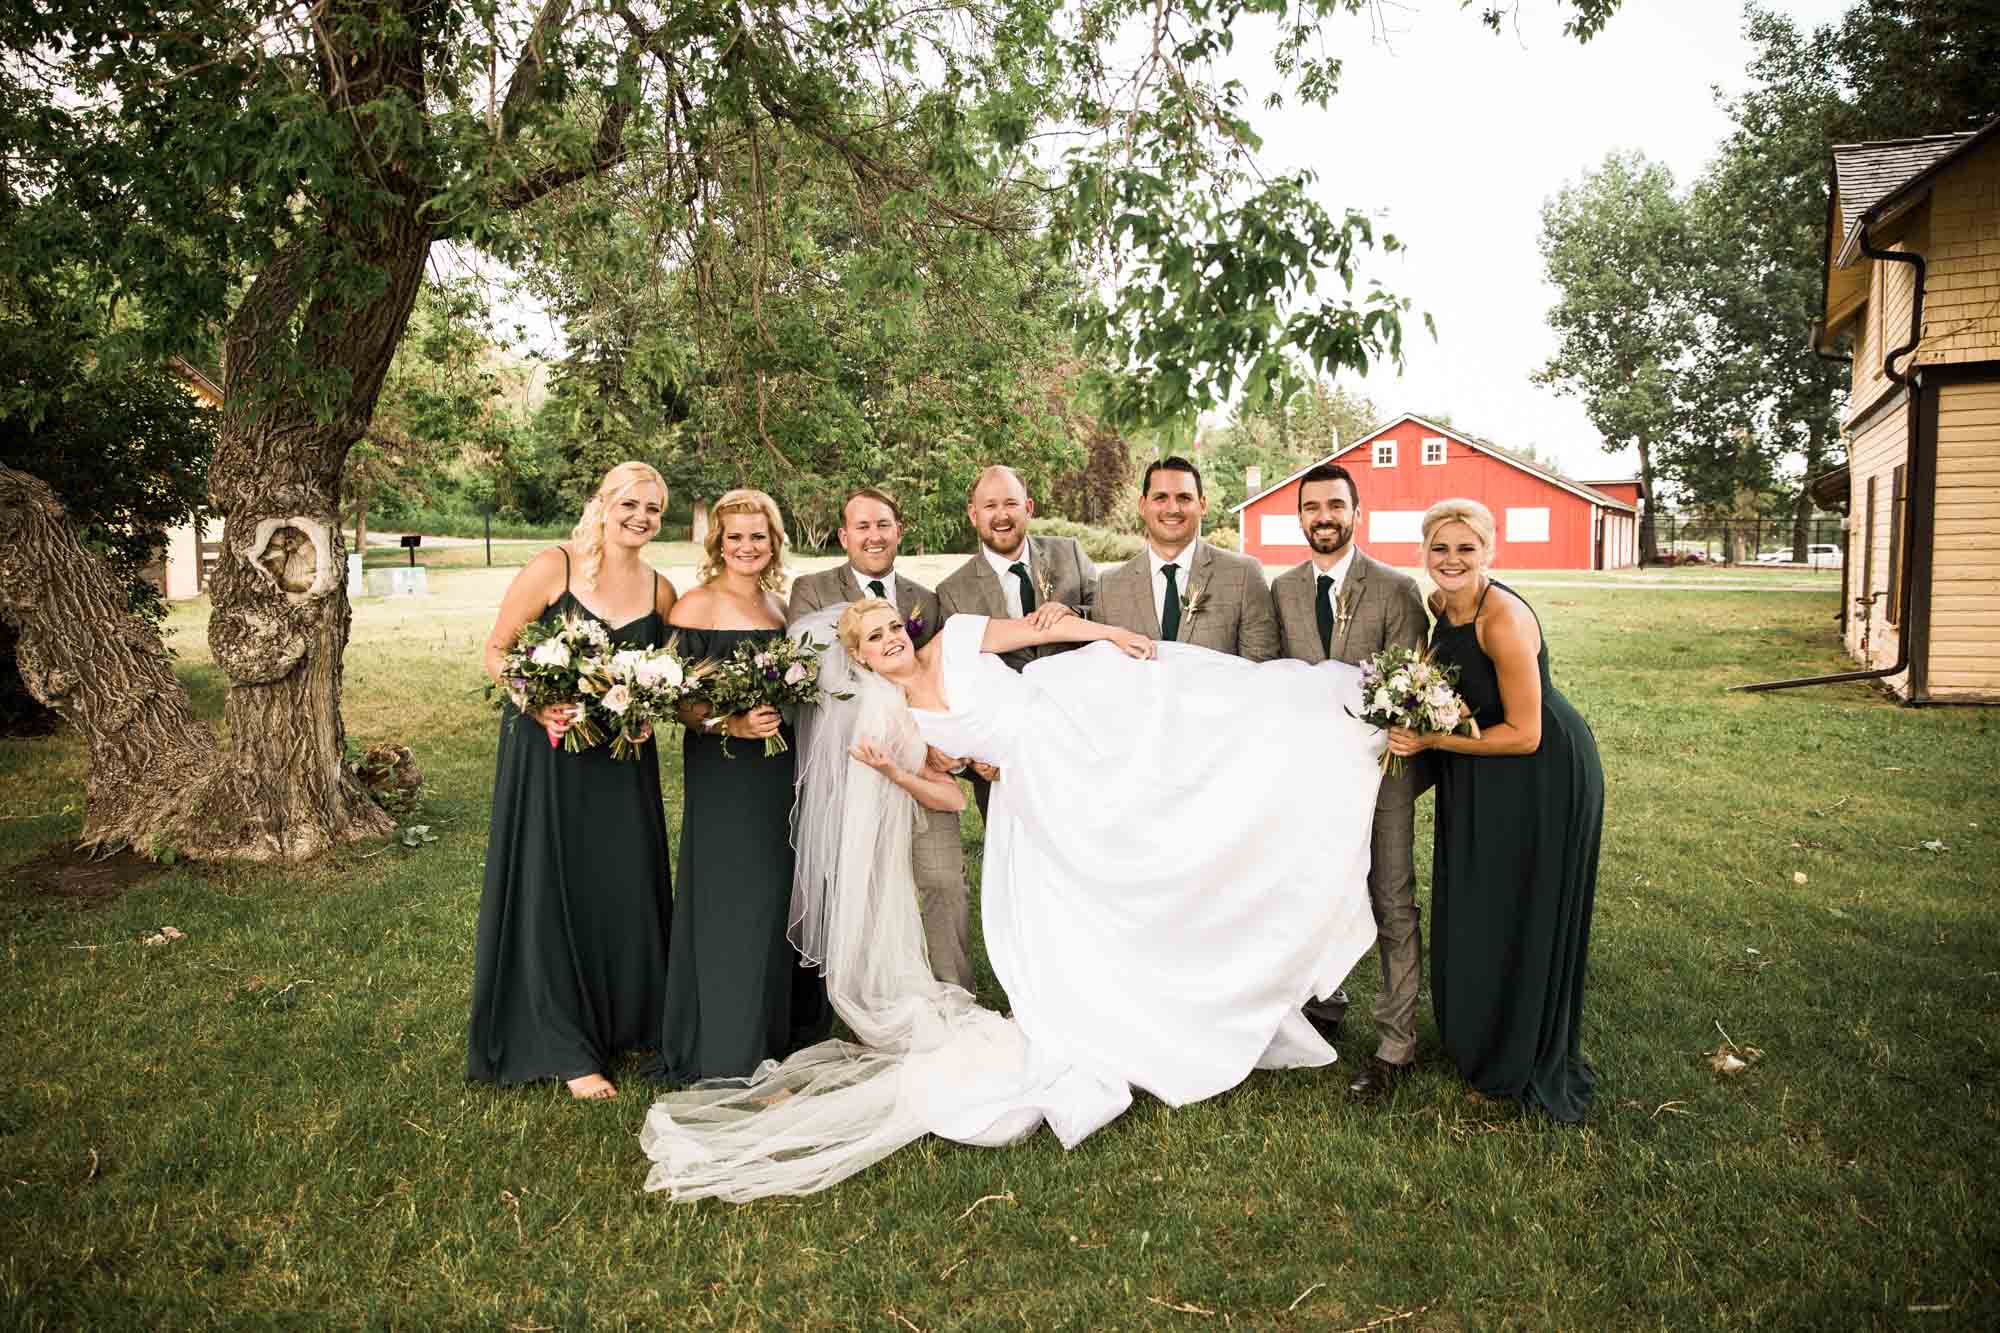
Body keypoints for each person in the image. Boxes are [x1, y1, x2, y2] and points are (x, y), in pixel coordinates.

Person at [639, 598, 1386, 1200]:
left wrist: (1111, 633)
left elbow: (1037, 629)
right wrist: (900, 771)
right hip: (1038, 797)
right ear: (861, 658)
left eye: (893, 626)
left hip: (1076, 723)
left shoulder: (959, 637)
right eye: (875, 638)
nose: (891, 640)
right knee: (1097, 896)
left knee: (1182, 789)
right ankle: (1137, 999)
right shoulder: (901, 719)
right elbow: (948, 798)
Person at [1386, 499, 1603, 1123]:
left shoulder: (1502, 618)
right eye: (1440, 548)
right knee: (1476, 905)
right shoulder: (1440, 605)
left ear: (1489, 552)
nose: (1452, 560)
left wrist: (1432, 740)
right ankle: (1479, 1036)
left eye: (1467, 548)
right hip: (1481, 773)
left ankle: (1518, 1053)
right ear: (1424, 552)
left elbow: (1526, 733)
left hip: (1540, 775)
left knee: (1519, 910)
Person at [468, 461, 678, 1101]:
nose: (641, 517)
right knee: (553, 881)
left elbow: (665, 677)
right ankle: (564, 1043)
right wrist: (535, 704)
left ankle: (631, 1020)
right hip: (552, 753)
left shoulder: (661, 590)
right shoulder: (553, 567)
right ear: (603, 505)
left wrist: (647, 713)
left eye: (653, 508)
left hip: (622, 760)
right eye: (630, 504)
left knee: (624, 882)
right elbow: (497, 649)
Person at [650, 488, 830, 1081]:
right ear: (718, 544)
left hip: (781, 771)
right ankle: (730, 1043)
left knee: (776, 894)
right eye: (736, 537)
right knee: (733, 897)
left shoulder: (781, 609)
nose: (747, 547)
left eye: (759, 536)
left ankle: (777, 1030)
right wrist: (731, 724)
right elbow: (673, 700)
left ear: (774, 542)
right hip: (725, 773)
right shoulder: (695, 607)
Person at [1270, 462, 1429, 1098]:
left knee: (1391, 896)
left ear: (1356, 513)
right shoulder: (1282, 589)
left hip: (1380, 772)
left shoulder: (1395, 589)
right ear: (1299, 517)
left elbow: (1410, 687)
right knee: (1311, 888)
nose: (1324, 517)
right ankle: (1321, 1003)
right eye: (1313, 507)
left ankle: (1396, 1043)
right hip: (1308, 775)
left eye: (1336, 505)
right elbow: (1269, 680)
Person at [786, 485, 972, 990]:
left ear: (899, 531)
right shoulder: (811, 590)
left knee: (941, 880)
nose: (874, 536)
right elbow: (805, 681)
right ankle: (874, 995)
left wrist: (946, 748)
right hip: (853, 767)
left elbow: (935, 678)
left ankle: (956, 993)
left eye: (883, 525)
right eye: (862, 526)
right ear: (844, 535)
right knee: (865, 887)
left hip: (921, 764)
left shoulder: (924, 600)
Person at [936, 465, 1099, 819]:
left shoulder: (1069, 554)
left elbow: (1109, 614)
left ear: (1029, 507)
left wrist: (1072, 613)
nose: (1001, 515)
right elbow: (956, 683)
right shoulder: (952, 592)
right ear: (973, 514)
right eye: (990, 506)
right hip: (1003, 756)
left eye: (1010, 503)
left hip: (1080, 736)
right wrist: (976, 757)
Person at [1091, 456, 1278, 661]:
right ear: (1143, 505)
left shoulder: (1244, 575)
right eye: (1161, 497)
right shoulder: (1109, 587)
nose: (1173, 509)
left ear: (1202, 505)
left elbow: (1259, 668)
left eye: (1184, 498)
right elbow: (1103, 668)